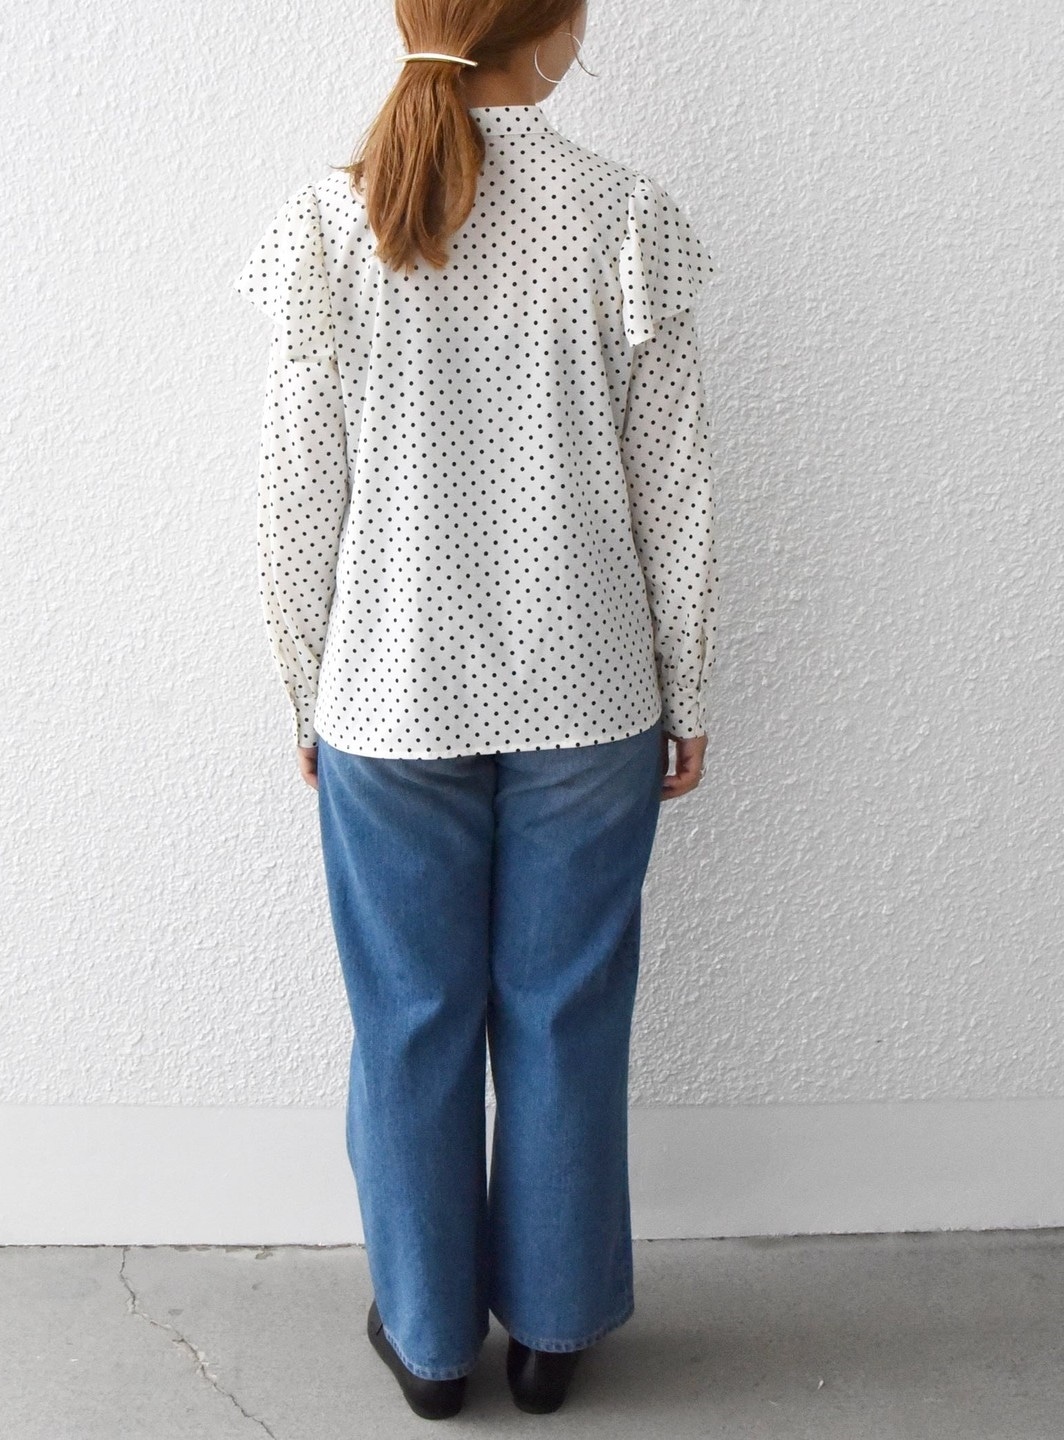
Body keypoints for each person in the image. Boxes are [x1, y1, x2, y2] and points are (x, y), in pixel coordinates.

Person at [232, 0, 719, 1418]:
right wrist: (689, 680)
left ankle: (430, 1342)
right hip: (592, 692)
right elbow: (677, 486)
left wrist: (304, 687)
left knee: (410, 1022)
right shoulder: (624, 216)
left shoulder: (333, 222)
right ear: (550, 29)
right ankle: (553, 1335)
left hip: (386, 697)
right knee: (565, 1018)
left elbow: (292, 497)